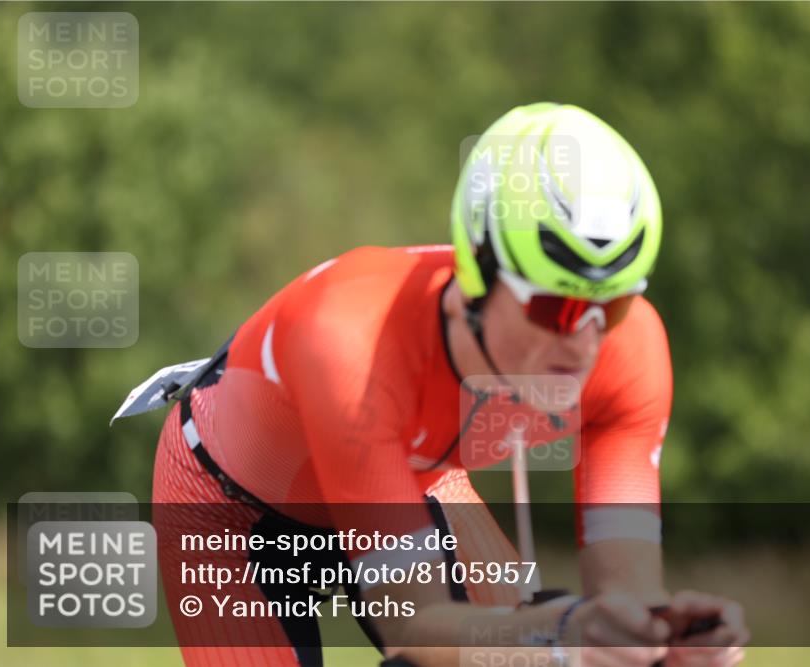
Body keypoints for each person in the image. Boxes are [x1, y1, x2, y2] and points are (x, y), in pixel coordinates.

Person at [141, 102, 749, 667]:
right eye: (553, 309)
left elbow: (625, 604)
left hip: (409, 478)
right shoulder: (351, 342)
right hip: (227, 508)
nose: (585, 344)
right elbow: (417, 629)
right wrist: (561, 631)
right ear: (478, 272)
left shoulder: (632, 348)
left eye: (609, 308)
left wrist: (663, 641)